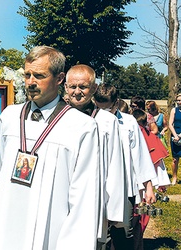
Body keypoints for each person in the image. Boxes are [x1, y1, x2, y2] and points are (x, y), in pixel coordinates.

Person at [0, 46, 100, 249]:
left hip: (51, 230)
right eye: (27, 75)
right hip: (5, 224)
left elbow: (84, 194)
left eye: (39, 75)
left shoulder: (81, 126)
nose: (31, 82)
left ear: (59, 79)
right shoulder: (10, 117)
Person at [64, 64, 125, 248]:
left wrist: (113, 209)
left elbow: (115, 165)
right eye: (72, 87)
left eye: (83, 87)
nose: (77, 92)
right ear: (65, 87)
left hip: (93, 197)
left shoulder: (107, 122)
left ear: (94, 88)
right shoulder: (56, 118)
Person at [94, 84, 158, 250]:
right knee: (99, 233)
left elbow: (140, 155)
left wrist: (148, 187)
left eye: (108, 109)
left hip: (125, 186)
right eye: (100, 108)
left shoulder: (128, 122)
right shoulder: (91, 120)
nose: (104, 113)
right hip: (99, 184)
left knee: (123, 231)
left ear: (116, 103)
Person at [168, 93, 181, 185]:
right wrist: (175, 135)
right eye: (178, 100)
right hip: (175, 137)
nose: (179, 102)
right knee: (175, 159)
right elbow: (170, 124)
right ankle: (174, 177)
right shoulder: (174, 110)